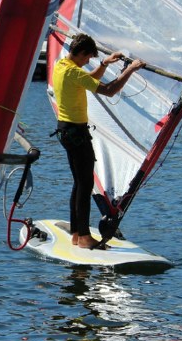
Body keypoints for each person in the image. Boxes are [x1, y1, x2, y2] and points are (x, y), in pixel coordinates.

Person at [52, 33, 145, 249]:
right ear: (82, 53)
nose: (88, 62)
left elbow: (87, 79)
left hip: (65, 131)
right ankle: (84, 237)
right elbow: (109, 91)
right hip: (76, 134)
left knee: (79, 183)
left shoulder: (62, 66)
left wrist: (104, 64)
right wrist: (130, 70)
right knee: (85, 185)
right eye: (87, 58)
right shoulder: (74, 71)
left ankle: (77, 234)